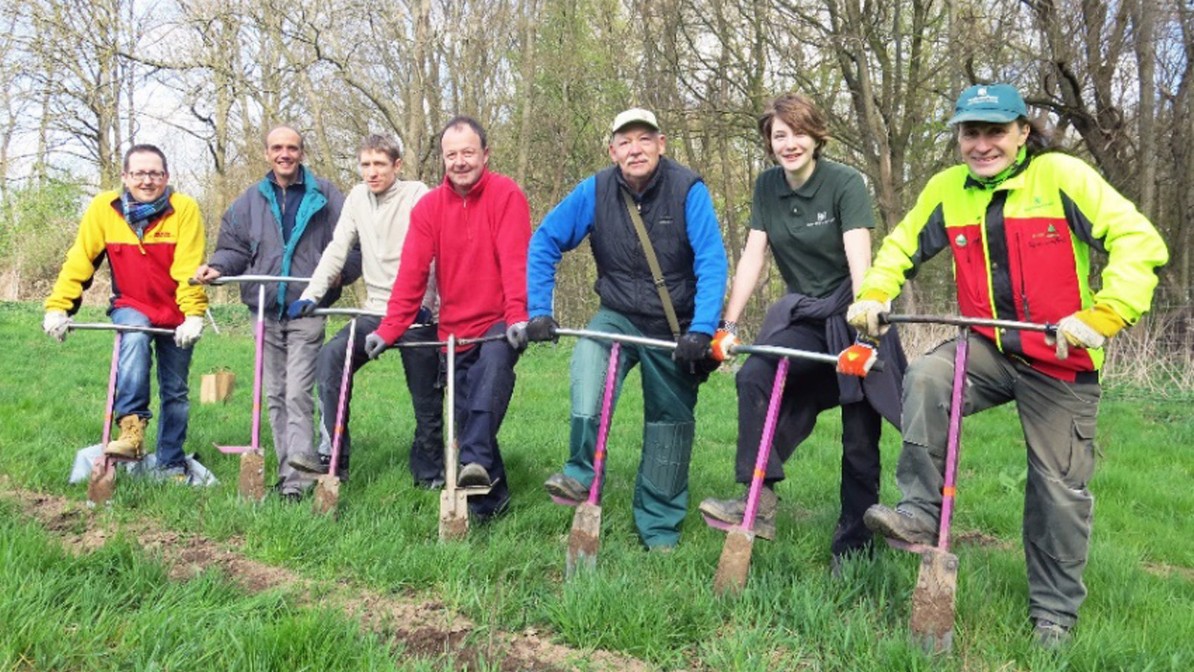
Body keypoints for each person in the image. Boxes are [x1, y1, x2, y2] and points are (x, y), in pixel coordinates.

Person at [848, 83, 1169, 647]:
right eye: (971, 133)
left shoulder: (1061, 177)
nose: (982, 144)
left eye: (995, 131)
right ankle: (919, 511)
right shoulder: (947, 190)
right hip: (988, 350)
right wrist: (876, 292)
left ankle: (1054, 615)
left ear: (1022, 132)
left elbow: (1137, 240)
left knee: (1057, 490)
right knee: (925, 376)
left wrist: (1107, 312)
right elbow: (900, 246)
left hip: (1060, 359)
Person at [696, 93, 906, 571]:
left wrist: (867, 335)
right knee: (754, 377)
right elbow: (753, 256)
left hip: (854, 313)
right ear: (769, 143)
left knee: (859, 432)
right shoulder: (768, 187)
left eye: (798, 132)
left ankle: (853, 549)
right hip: (805, 317)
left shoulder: (845, 183)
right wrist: (727, 326)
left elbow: (861, 262)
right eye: (779, 135)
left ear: (817, 135)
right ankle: (760, 501)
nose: (790, 143)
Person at [524, 107, 728, 551]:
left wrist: (702, 329)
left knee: (669, 426)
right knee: (588, 364)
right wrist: (539, 308)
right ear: (612, 150)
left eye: (644, 139)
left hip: (674, 324)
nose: (635, 149)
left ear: (661, 143)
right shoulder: (593, 190)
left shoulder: (688, 190)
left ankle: (658, 530)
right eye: (625, 141)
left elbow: (712, 260)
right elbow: (545, 240)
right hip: (616, 312)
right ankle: (579, 473)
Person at [365, 116, 530, 521]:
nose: (460, 162)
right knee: (463, 419)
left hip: (498, 325)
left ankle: (472, 463)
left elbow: (515, 262)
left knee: (483, 401)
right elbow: (412, 274)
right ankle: (491, 508)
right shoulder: (429, 208)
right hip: (452, 330)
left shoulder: (507, 195)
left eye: (468, 152)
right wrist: (389, 329)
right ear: (443, 158)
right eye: (451, 154)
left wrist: (518, 317)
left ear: (485, 155)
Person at [194, 125, 358, 501]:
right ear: (267, 153)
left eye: (292, 148)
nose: (284, 154)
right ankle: (288, 475)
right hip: (264, 309)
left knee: (298, 391)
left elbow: (353, 247)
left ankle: (297, 481)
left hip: (307, 307)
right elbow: (233, 248)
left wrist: (336, 276)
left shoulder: (327, 196)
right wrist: (218, 267)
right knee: (274, 394)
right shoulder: (250, 200)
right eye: (277, 148)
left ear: (302, 152)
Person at [286, 134, 444, 488]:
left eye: (380, 164)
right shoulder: (357, 197)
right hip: (376, 310)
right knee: (331, 357)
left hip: (418, 313)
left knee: (426, 396)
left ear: (397, 165)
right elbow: (338, 247)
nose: (372, 172)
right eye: (366, 165)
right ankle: (333, 457)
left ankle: (430, 473)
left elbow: (435, 254)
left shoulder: (418, 194)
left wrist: (426, 304)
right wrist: (313, 293)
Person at [44, 144, 208, 480]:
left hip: (176, 309)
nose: (147, 181)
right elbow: (81, 259)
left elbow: (189, 267)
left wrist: (193, 314)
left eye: (155, 173)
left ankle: (171, 461)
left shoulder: (184, 209)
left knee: (175, 389)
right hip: (131, 304)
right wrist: (59, 306)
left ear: (166, 176)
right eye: (139, 173)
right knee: (134, 334)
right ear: (125, 176)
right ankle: (131, 429)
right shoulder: (105, 209)